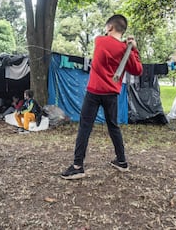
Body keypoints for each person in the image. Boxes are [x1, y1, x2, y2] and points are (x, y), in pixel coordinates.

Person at [61, 14, 143, 180]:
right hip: (112, 93)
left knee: (85, 127)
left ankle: (77, 166)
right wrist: (133, 48)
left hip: (94, 91)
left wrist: (128, 48)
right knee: (113, 126)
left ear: (109, 27)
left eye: (107, 27)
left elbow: (105, 45)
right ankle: (121, 161)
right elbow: (138, 70)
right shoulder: (124, 50)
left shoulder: (100, 40)